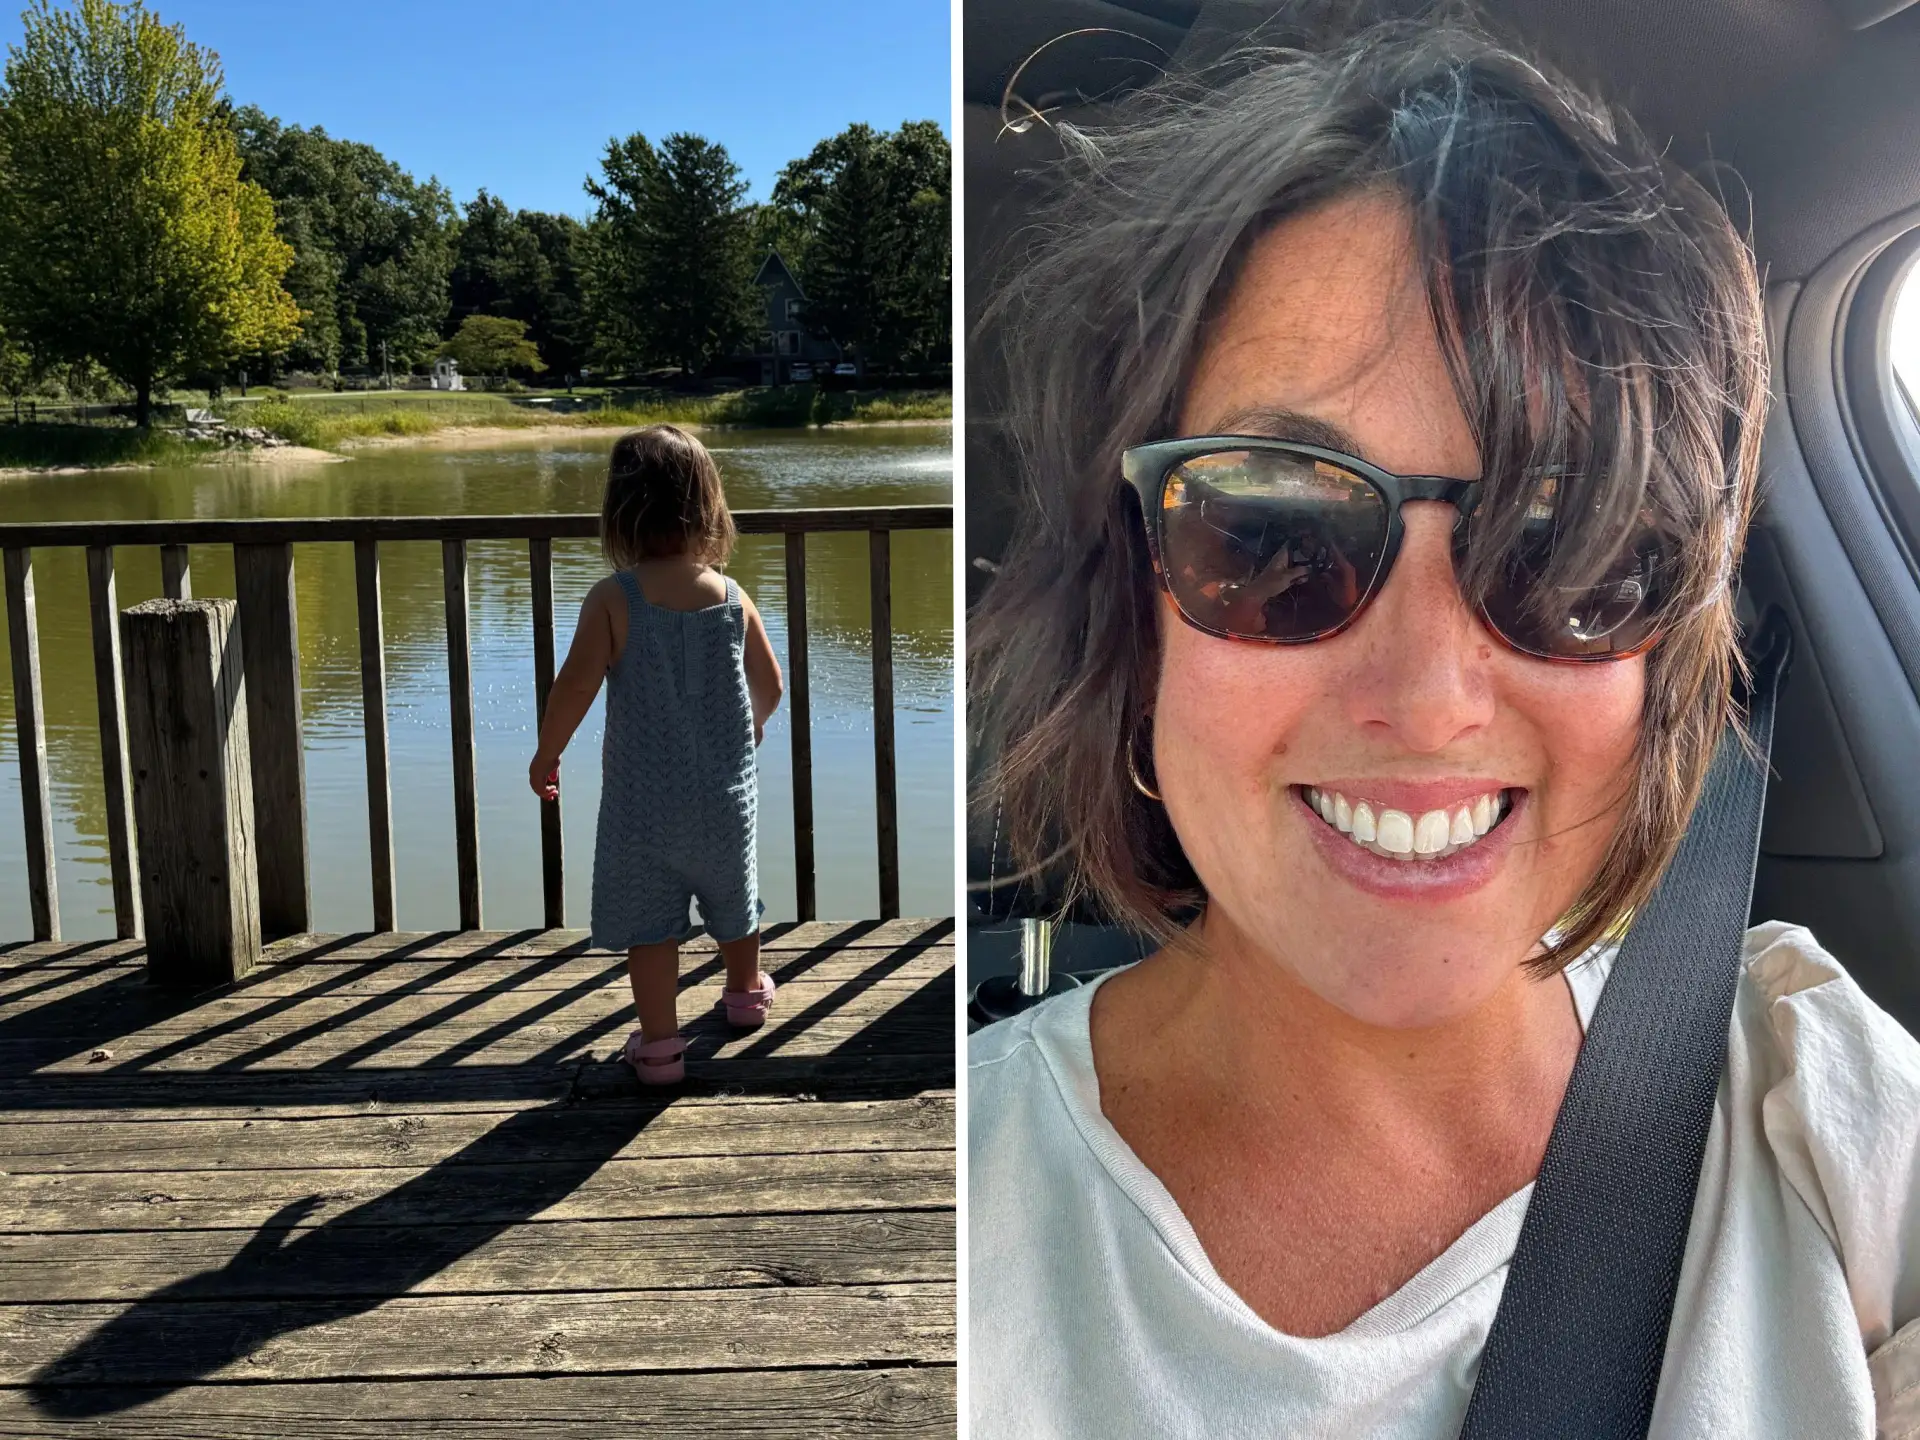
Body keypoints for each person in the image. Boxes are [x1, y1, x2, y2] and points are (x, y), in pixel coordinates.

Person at [966, 11, 1920, 1438]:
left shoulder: (1822, 1102)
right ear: (1126, 597)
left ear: (1670, 647)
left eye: (1572, 551)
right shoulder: (954, 1222)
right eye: (1271, 530)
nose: (1425, 695)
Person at [530, 424, 784, 1085]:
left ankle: (662, 1047)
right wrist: (748, 727)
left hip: (643, 808)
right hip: (727, 797)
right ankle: (745, 996)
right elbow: (771, 683)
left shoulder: (615, 599)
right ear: (708, 505)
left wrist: (547, 754)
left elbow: (575, 687)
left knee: (651, 927)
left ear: (621, 512)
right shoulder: (730, 595)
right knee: (737, 899)